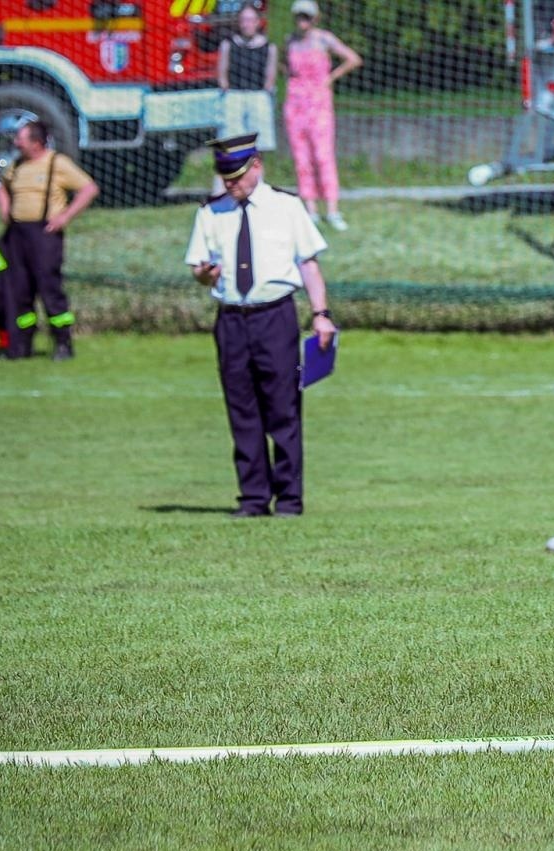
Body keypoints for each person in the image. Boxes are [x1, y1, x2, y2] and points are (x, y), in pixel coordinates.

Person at [184, 134, 336, 518]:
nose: (230, 185)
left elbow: (308, 264)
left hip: (275, 317)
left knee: (283, 409)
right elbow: (199, 270)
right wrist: (206, 274)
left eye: (236, 177)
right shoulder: (210, 212)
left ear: (256, 166)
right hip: (233, 319)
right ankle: (252, 498)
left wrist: (321, 314)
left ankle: (289, 499)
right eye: (225, 178)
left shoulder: (286, 207)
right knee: (242, 409)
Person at [0, 120, 98, 361]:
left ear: (36, 143)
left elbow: (89, 188)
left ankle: (62, 343)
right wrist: (6, 212)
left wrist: (65, 217)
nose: (16, 143)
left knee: (49, 289)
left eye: (21, 138)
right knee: (19, 290)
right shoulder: (17, 165)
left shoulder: (56, 163)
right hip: (17, 236)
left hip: (44, 236)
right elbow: (1, 188)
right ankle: (20, 345)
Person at [284, 0, 361, 231]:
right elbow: (285, 68)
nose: (302, 21)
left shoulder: (324, 39)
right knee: (302, 157)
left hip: (319, 104)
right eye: (299, 16)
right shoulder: (290, 42)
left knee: (323, 155)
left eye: (306, 16)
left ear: (315, 18)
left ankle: (332, 209)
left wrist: (330, 77)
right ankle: (311, 209)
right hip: (296, 103)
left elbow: (353, 59)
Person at [216, 3, 279, 179]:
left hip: (258, 96)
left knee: (259, 146)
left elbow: (271, 75)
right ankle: (228, 184)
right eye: (243, 20)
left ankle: (257, 183)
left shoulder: (269, 47)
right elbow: (222, 72)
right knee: (231, 145)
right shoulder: (228, 44)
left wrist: (265, 91)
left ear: (258, 22)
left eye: (251, 20)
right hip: (234, 96)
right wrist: (226, 89)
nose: (247, 24)